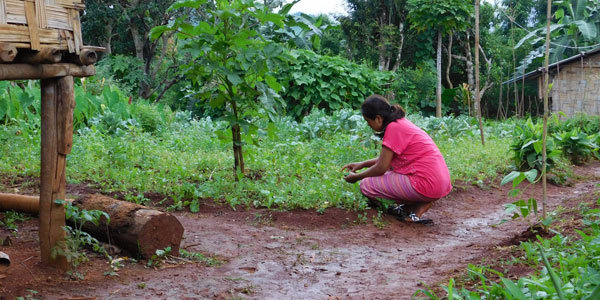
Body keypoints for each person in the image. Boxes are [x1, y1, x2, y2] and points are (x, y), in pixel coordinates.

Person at [342, 94, 452, 224]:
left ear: (378, 118)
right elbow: (387, 159)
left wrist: (357, 177)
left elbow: (381, 167)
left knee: (367, 185)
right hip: (440, 182)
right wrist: (363, 164)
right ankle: (415, 212)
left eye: (368, 121)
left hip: (425, 183)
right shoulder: (401, 123)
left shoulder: (393, 128)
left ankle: (404, 207)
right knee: (391, 175)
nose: (369, 125)